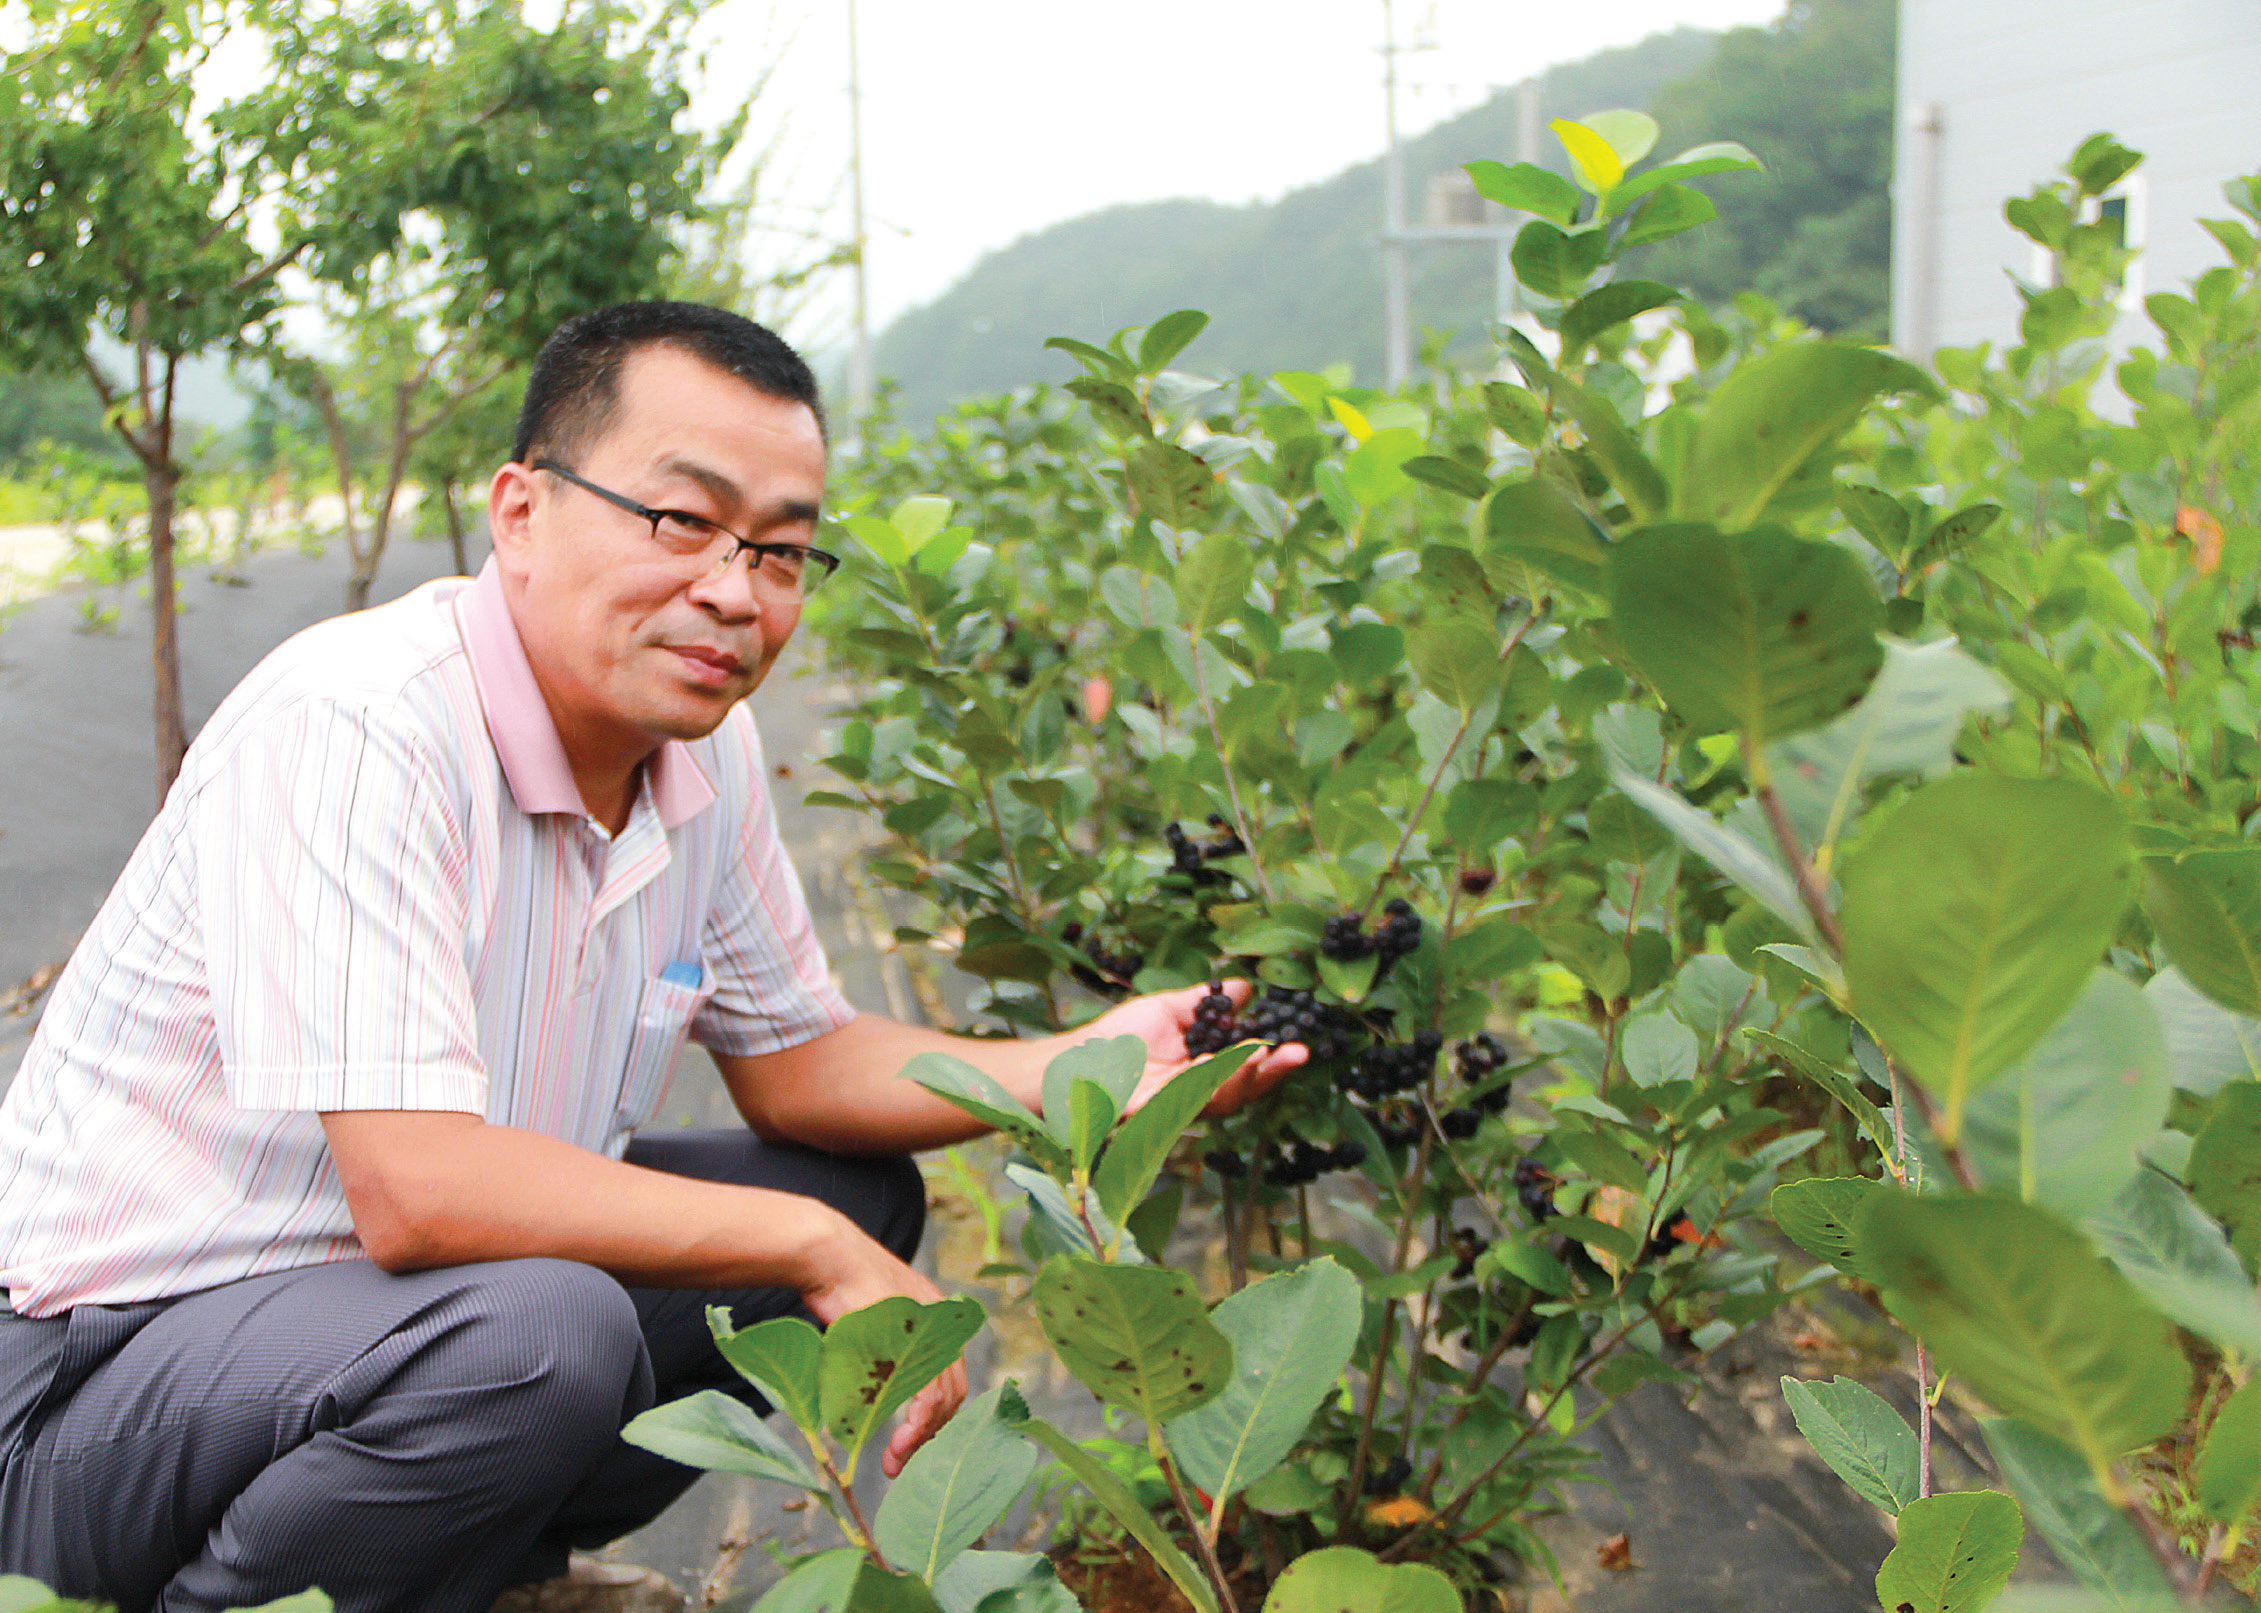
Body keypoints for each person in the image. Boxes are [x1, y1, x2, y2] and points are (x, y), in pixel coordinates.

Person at [0, 302, 1300, 1613]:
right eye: (681, 521)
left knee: (850, 1200)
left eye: (781, 551)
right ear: (520, 510)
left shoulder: (701, 752)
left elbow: (801, 1059)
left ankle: (455, 1563)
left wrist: (1095, 1060)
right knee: (546, 1336)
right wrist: (804, 1245)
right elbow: (417, 1186)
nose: (734, 591)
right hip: (78, 1392)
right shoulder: (360, 722)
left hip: (356, 1334)